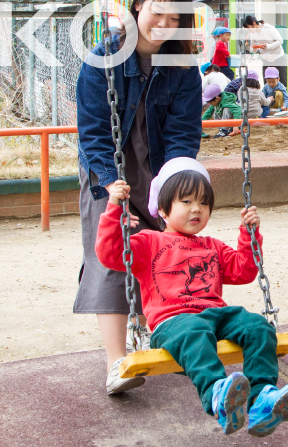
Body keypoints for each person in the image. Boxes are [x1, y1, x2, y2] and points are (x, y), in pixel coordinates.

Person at [96, 158, 288, 436]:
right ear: (162, 209)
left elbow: (244, 271)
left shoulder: (213, 247)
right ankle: (217, 394)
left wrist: (249, 235)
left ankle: (261, 398)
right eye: (186, 201)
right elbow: (110, 254)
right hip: (174, 324)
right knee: (194, 329)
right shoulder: (149, 242)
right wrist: (112, 211)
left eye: (204, 203)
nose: (197, 209)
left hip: (215, 316)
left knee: (256, 326)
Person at [75, 0, 202, 395]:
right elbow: (94, 133)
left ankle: (146, 331)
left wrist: (174, 185)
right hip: (107, 170)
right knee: (112, 253)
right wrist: (113, 188)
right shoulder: (103, 60)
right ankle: (116, 363)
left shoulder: (183, 68)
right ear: (135, 9)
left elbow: (184, 133)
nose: (162, 24)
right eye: (156, 12)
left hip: (159, 167)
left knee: (160, 250)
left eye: (174, 18)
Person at [243, 15, 287, 87]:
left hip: (278, 57)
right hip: (266, 59)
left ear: (254, 24)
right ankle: (269, 98)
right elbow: (253, 50)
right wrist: (253, 48)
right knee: (267, 83)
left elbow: (280, 40)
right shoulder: (252, 34)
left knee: (283, 81)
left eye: (248, 28)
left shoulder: (268, 28)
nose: (248, 30)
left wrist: (268, 46)